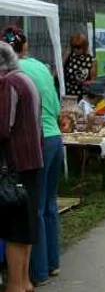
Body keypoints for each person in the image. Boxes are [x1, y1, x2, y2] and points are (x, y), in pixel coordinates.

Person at [2, 27, 61, 286]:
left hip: (22, 157)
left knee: (25, 219)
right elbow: (55, 108)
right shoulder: (35, 72)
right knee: (45, 209)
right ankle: (45, 269)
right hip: (47, 142)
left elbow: (4, 128)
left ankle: (31, 277)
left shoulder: (9, 82)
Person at [0, 41, 43, 292]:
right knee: (25, 229)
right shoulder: (25, 79)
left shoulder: (7, 83)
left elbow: (2, 129)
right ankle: (24, 282)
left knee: (16, 230)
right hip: (31, 162)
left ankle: (15, 285)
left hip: (15, 167)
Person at [63, 33, 95, 99]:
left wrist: (85, 82)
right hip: (69, 95)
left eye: (78, 47)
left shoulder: (91, 60)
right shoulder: (69, 55)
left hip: (84, 96)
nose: (76, 50)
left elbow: (93, 81)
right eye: (73, 47)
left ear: (84, 47)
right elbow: (60, 69)